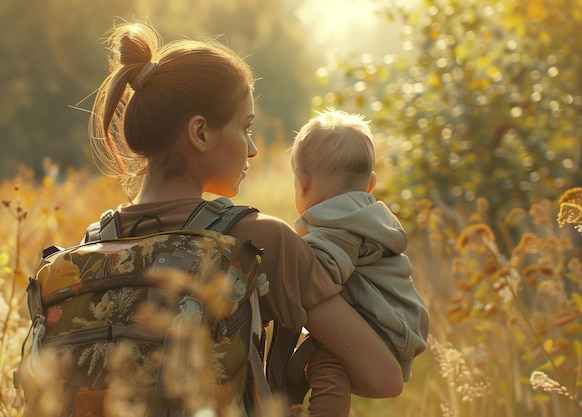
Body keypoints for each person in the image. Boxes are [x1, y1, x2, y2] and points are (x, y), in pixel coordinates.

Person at [46, 21, 403, 416]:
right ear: (200, 132)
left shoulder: (96, 244)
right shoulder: (260, 240)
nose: (251, 149)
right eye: (244, 127)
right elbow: (383, 377)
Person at [290, 109, 430, 417]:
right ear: (370, 185)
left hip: (380, 325)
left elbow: (320, 273)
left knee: (327, 364)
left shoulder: (337, 221)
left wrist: (282, 256)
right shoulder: (364, 217)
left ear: (300, 184)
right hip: (395, 322)